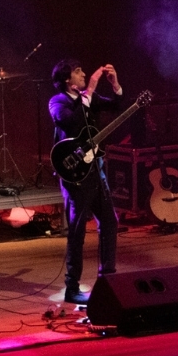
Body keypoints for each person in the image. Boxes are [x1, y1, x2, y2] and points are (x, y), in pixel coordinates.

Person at [49, 59, 122, 305]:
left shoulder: (89, 98)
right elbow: (71, 124)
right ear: (67, 80)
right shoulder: (57, 102)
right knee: (77, 229)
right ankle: (72, 288)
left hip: (96, 171)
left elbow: (117, 106)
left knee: (110, 221)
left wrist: (115, 85)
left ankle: (108, 280)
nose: (83, 74)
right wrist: (89, 91)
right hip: (75, 176)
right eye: (78, 71)